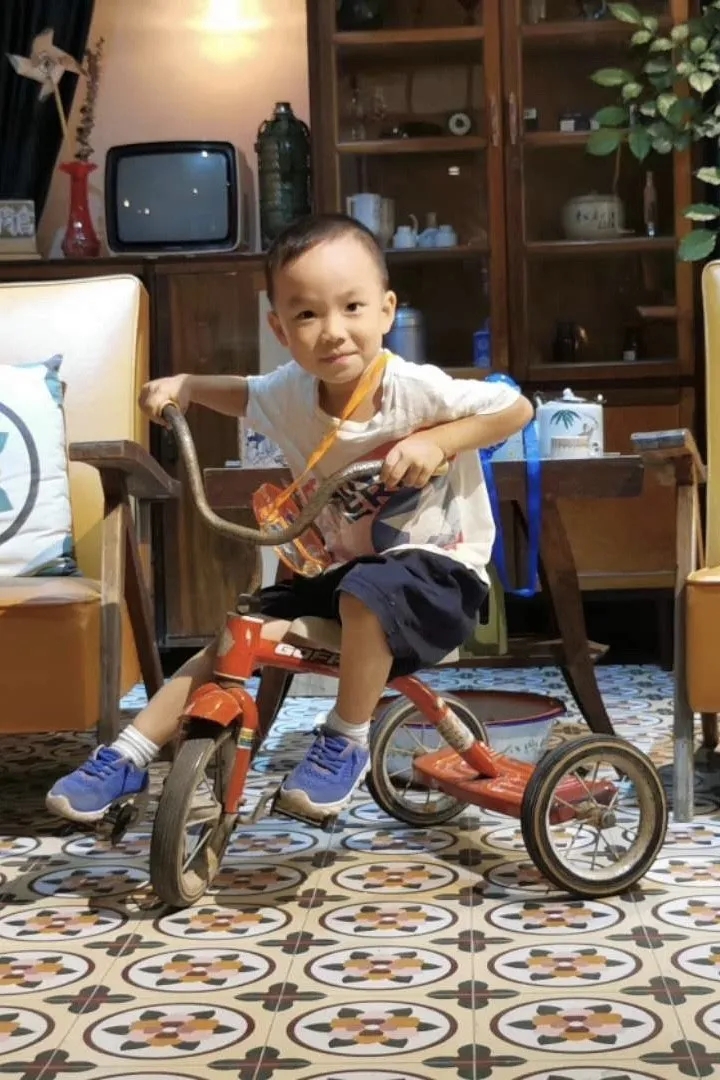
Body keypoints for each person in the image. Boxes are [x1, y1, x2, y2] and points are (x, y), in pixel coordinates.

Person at [46, 212, 533, 826]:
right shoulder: (290, 393)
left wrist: (439, 441)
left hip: (439, 578)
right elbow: (244, 393)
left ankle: (345, 739)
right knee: (238, 632)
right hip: (348, 576)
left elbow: (515, 408)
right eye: (307, 315)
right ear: (279, 327)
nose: (333, 332)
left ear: (386, 311)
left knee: (365, 592)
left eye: (352, 307)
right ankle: (128, 754)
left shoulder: (414, 389)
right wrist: (187, 385)